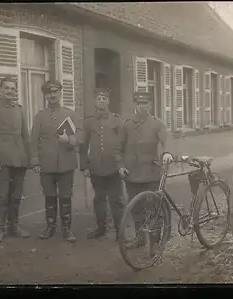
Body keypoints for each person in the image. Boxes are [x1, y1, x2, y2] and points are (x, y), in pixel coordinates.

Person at [117, 91, 174, 249]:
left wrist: (167, 152)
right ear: (135, 105)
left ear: (150, 105)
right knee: (136, 208)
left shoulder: (157, 124)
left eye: (146, 104)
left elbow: (166, 139)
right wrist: (120, 165)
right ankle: (140, 237)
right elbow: (118, 148)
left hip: (151, 173)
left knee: (154, 207)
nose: (142, 107)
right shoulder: (127, 125)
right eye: (139, 104)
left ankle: (155, 240)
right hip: (132, 173)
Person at [30, 80, 83, 242]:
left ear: (60, 93)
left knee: (66, 197)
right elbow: (33, 140)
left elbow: (81, 135)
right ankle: (50, 227)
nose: (52, 95)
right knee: (49, 196)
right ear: (45, 96)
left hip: (66, 163)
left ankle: (67, 229)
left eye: (55, 92)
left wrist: (70, 139)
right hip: (46, 164)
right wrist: (35, 161)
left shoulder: (71, 114)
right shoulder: (40, 116)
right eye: (49, 93)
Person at [0, 77, 31, 243]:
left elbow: (25, 135)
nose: (10, 91)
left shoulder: (19, 109)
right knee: (1, 197)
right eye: (6, 88)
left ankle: (14, 227)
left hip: (20, 159)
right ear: (1, 90)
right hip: (1, 159)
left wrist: (28, 157)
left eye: (12, 88)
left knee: (16, 196)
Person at [80, 88, 125, 241]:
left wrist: (121, 165)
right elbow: (83, 145)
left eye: (104, 98)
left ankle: (120, 231)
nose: (101, 101)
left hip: (113, 167)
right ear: (94, 101)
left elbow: (122, 144)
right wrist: (85, 166)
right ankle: (101, 228)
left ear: (108, 101)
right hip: (95, 167)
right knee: (99, 199)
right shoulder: (89, 121)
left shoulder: (117, 120)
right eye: (98, 98)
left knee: (116, 200)